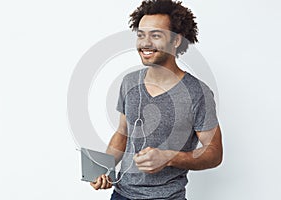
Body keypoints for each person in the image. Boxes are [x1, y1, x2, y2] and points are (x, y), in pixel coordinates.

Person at [90, 0, 223, 199]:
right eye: (141, 35)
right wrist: (104, 169)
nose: (145, 43)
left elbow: (214, 153)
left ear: (176, 41)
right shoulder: (129, 82)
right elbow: (122, 133)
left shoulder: (198, 93)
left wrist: (170, 157)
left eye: (156, 35)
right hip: (121, 195)